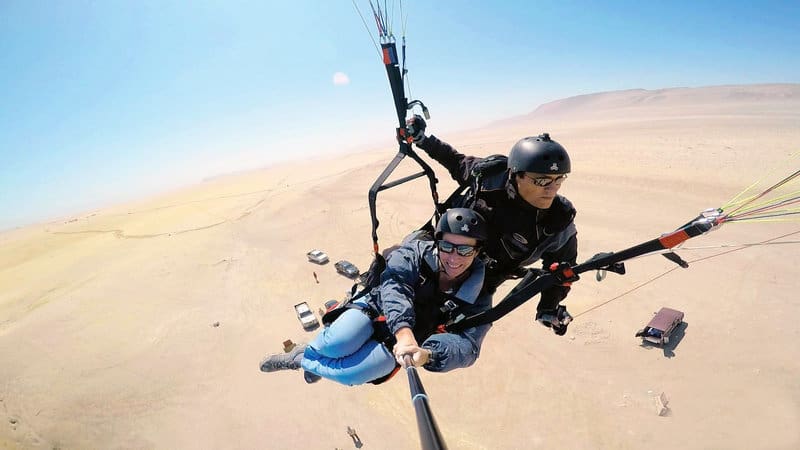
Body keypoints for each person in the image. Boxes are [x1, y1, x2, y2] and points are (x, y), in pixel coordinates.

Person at [260, 208, 492, 385]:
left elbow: (468, 346)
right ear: (437, 243)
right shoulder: (415, 253)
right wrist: (403, 331)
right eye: (447, 246)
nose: (454, 257)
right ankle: (312, 356)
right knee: (335, 344)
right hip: (377, 308)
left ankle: (301, 360)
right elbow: (395, 284)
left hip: (406, 342)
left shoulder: (479, 293)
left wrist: (429, 354)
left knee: (349, 375)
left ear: (477, 251)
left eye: (464, 250)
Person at [406, 115, 578, 335]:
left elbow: (561, 269)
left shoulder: (558, 221)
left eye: (559, 179)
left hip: (478, 284)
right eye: (542, 180)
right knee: (392, 267)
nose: (552, 189)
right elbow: (455, 161)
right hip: (440, 250)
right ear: (516, 174)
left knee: (433, 328)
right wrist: (422, 139)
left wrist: (548, 308)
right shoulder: (488, 175)